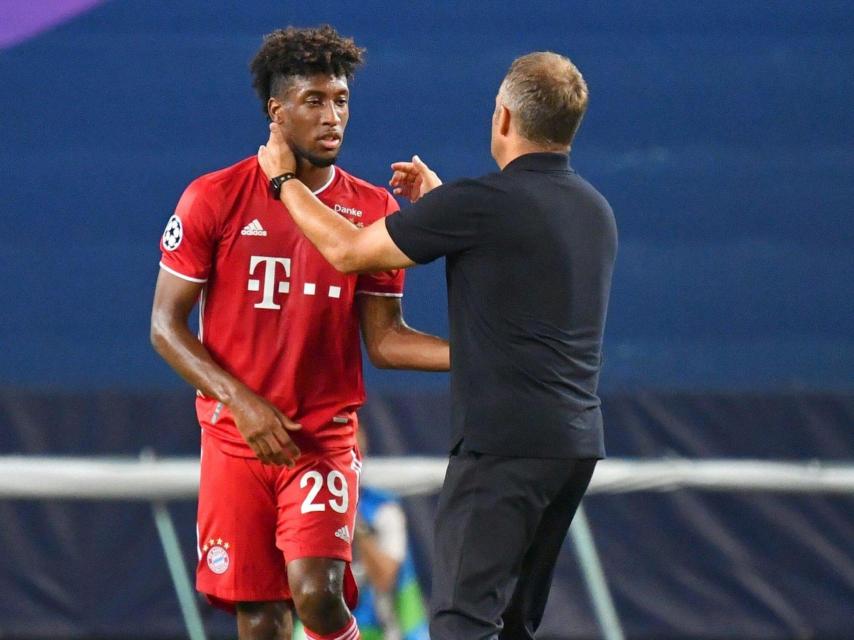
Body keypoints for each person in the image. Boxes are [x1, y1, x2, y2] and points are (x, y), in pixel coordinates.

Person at [257, 51, 618, 639]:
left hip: (504, 446)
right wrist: (440, 206)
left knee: (462, 623)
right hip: (573, 448)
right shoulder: (594, 211)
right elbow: (511, 268)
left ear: (503, 118)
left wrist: (284, 183)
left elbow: (349, 251)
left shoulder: (483, 204)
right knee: (514, 624)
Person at [150, 25, 449, 640]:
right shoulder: (212, 197)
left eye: (340, 100)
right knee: (259, 619)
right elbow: (164, 325)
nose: (333, 115)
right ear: (276, 110)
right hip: (237, 441)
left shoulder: (371, 210)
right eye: (314, 101)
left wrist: (483, 354)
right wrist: (241, 402)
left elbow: (386, 341)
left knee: (317, 596)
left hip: (322, 443)